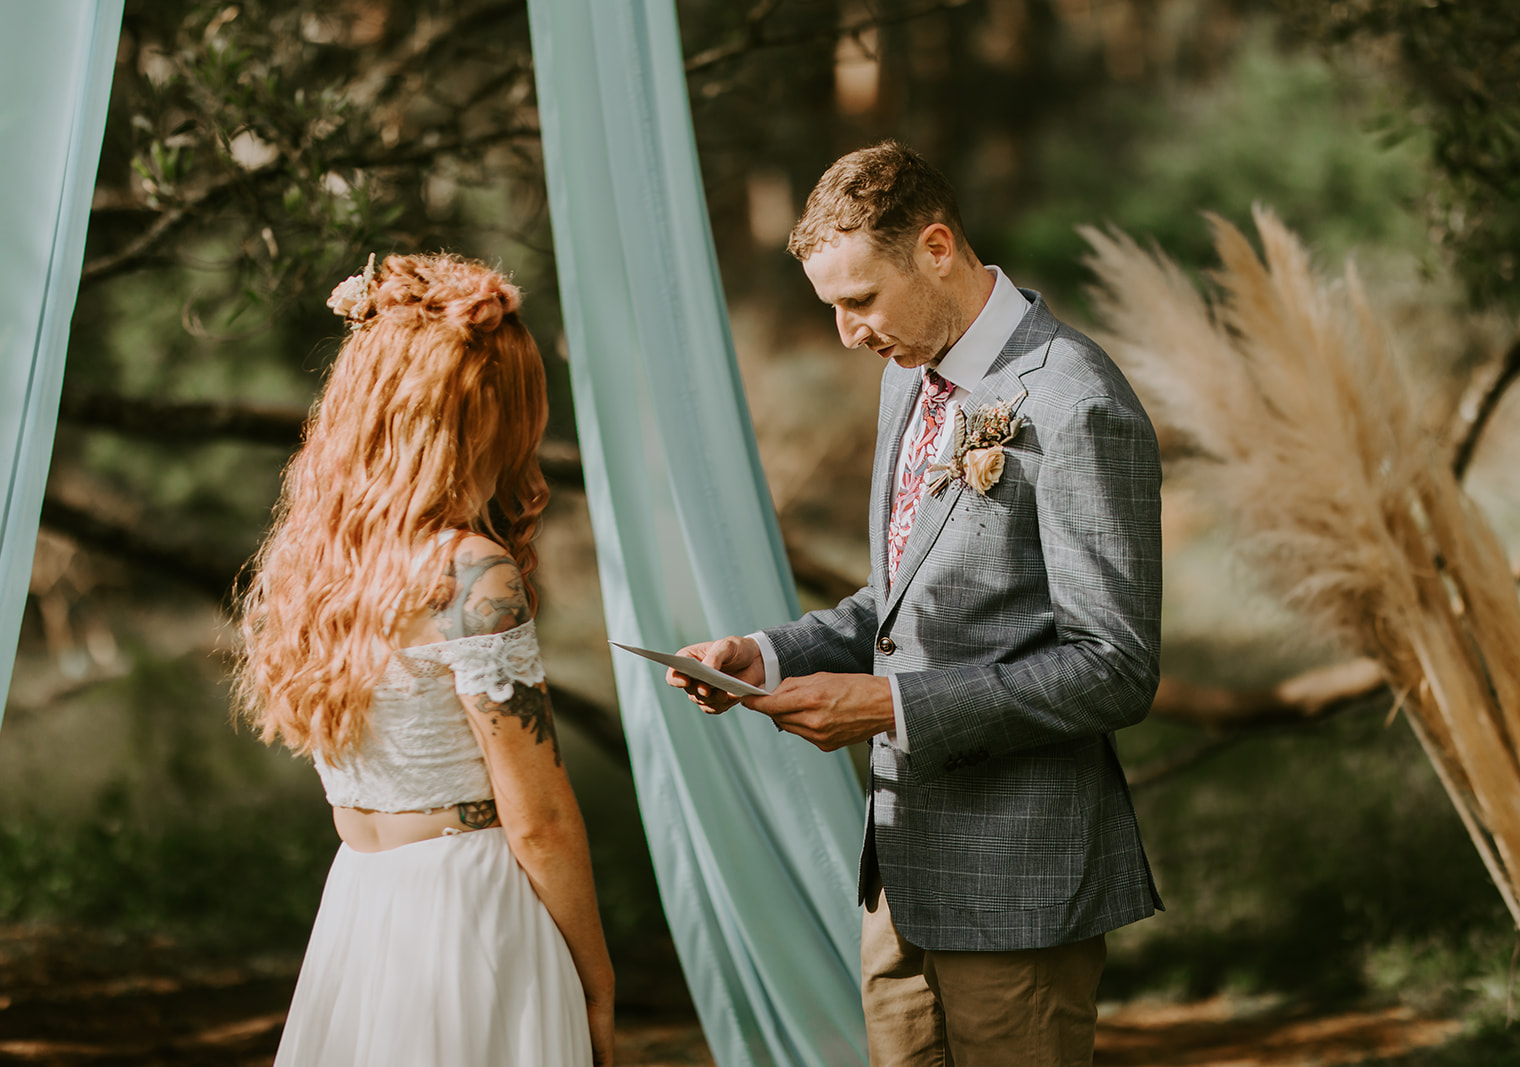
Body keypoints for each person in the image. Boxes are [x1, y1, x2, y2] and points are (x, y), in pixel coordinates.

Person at [668, 141, 1162, 1066]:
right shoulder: (909, 376)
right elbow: (897, 601)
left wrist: (889, 706)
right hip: (898, 875)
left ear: (937, 248)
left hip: (1019, 886)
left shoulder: (1073, 400)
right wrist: (767, 653)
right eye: (833, 308)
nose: (849, 334)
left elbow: (1115, 668)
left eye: (860, 301)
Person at [236, 253, 614, 1066]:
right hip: (470, 910)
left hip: (361, 904)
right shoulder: (473, 572)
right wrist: (596, 981)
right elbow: (540, 819)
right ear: (482, 410)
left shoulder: (317, 560)